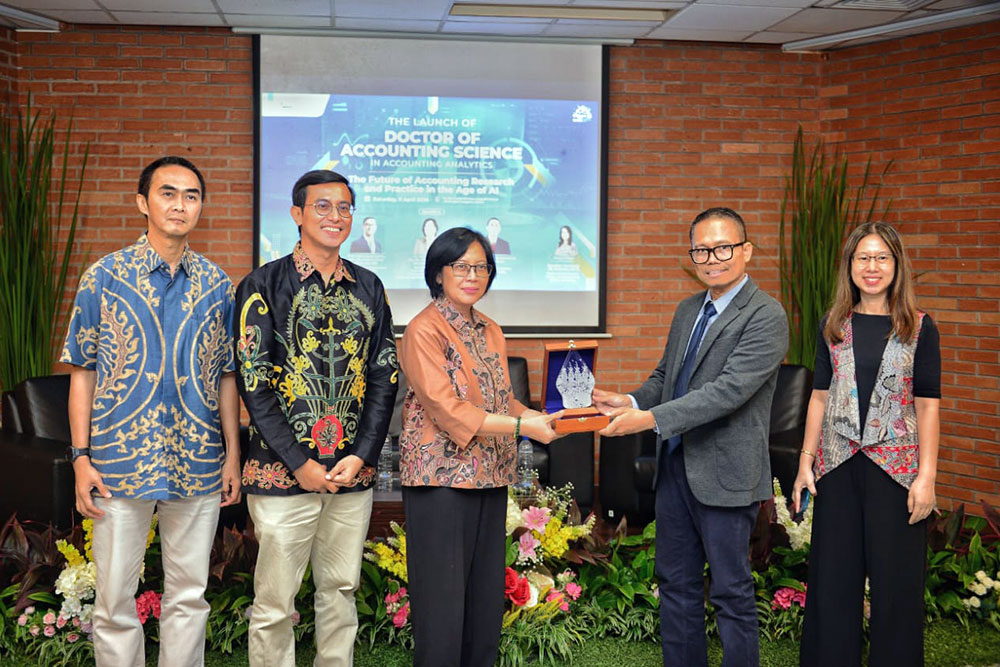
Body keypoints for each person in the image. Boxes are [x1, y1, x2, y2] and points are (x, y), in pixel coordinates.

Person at [61, 156, 241, 666]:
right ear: (143, 202)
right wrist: (80, 457)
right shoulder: (104, 277)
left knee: (189, 595)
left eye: (191, 196)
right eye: (168, 193)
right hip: (118, 463)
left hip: (198, 460)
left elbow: (226, 376)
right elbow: (82, 373)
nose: (180, 205)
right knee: (114, 601)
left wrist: (232, 454)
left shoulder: (218, 286)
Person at [592, 207, 788, 667]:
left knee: (730, 590)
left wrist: (649, 419)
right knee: (676, 585)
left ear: (746, 251)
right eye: (701, 250)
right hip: (676, 467)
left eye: (723, 248)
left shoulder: (766, 315)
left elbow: (728, 392)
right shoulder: (688, 310)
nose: (711, 258)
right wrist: (630, 400)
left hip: (726, 474)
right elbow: (667, 377)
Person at [235, 170, 398, 666]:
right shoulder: (263, 284)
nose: (335, 216)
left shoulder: (369, 286)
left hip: (351, 473)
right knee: (274, 603)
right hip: (282, 472)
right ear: (297, 214)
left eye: (344, 207)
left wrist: (363, 454)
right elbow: (254, 384)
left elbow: (384, 377)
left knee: (341, 590)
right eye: (323, 206)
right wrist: (298, 463)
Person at [398, 227, 563, 667]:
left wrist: (544, 419)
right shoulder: (423, 329)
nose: (473, 276)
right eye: (461, 266)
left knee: (484, 605)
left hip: (491, 476)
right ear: (438, 273)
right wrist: (523, 427)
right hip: (441, 482)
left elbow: (500, 401)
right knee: (442, 608)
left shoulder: (490, 329)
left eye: (481, 267)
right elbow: (447, 409)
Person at [793, 222, 940, 667]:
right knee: (832, 585)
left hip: (896, 474)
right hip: (838, 469)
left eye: (881, 257)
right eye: (863, 257)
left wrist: (927, 478)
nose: (871, 267)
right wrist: (805, 463)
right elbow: (819, 397)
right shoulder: (833, 324)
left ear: (896, 265)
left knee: (897, 589)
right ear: (850, 265)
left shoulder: (919, 327)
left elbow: (927, 406)